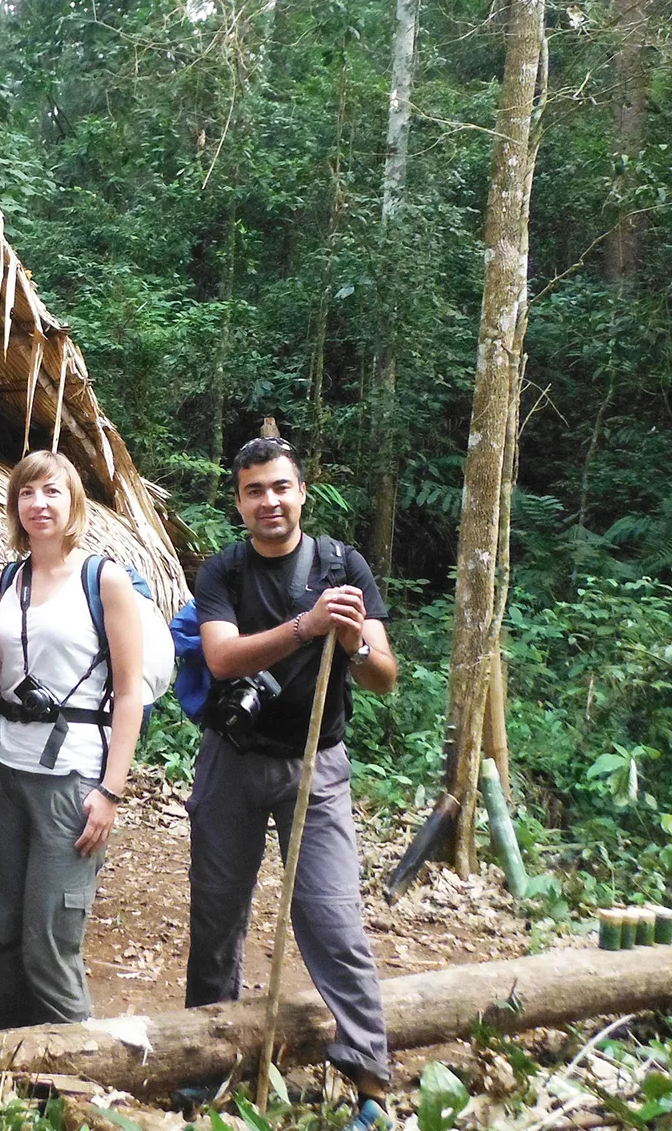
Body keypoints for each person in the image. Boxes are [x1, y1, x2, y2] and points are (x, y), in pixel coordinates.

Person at [185, 436, 398, 1131]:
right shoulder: (224, 571)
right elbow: (220, 659)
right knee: (218, 916)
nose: (269, 502)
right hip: (232, 759)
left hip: (318, 766)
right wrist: (305, 626)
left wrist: (354, 643)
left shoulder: (344, 566)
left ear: (301, 492)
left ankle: (370, 1080)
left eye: (280, 487)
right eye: (254, 491)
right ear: (240, 502)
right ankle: (204, 1065)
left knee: (332, 918)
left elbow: (383, 677)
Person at [0, 449, 144, 1027]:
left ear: (73, 505)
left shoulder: (104, 580)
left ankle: (79, 1074)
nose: (38, 505)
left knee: (50, 937)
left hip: (71, 779)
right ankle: (11, 1068)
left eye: (52, 493)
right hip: (2, 772)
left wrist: (111, 792)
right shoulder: (7, 579)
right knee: (5, 929)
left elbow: (130, 692)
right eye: (27, 493)